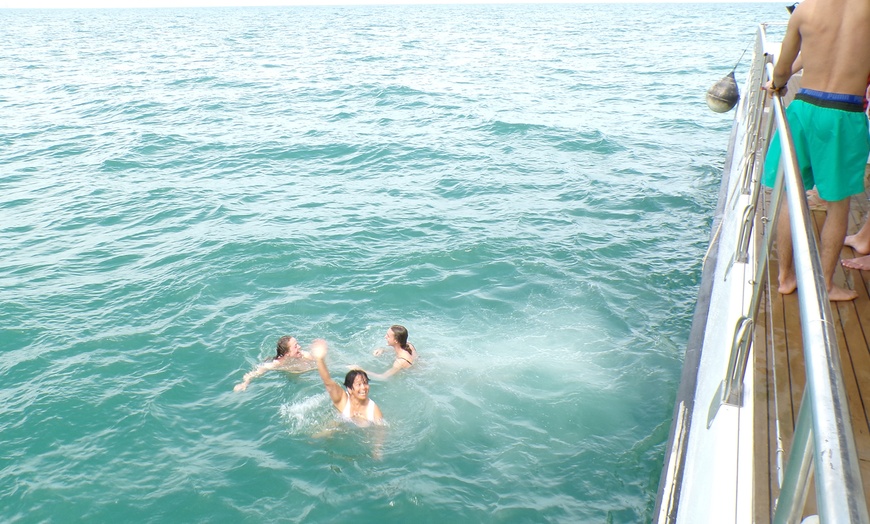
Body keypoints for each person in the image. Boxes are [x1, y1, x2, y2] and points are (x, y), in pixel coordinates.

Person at [762, 0, 870, 301]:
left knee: (791, 195)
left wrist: (777, 84)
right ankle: (825, 283)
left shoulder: (805, 9)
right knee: (838, 204)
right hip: (844, 114)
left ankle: (785, 277)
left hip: (804, 108)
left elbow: (783, 67)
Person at [310, 338, 384, 425]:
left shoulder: (373, 410)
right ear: (349, 389)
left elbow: (380, 434)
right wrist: (320, 359)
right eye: (359, 384)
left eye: (365, 383)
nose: (363, 387)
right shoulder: (342, 399)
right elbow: (328, 382)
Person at [233, 336, 314, 392]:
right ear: (287, 353)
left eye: (298, 344)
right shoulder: (275, 364)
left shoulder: (303, 355)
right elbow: (254, 373)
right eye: (295, 346)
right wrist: (244, 383)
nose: (299, 347)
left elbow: (316, 363)